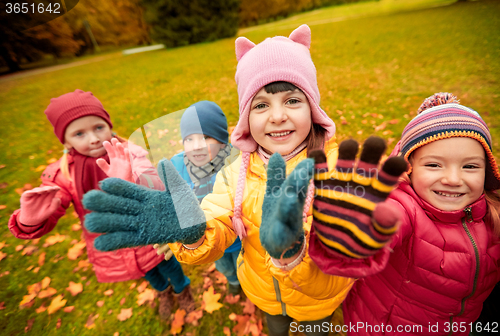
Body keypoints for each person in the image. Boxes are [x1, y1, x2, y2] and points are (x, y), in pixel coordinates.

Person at [82, 25, 405, 336]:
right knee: (276, 326)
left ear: (314, 108)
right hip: (262, 291)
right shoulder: (235, 171)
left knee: (314, 330)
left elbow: (352, 252)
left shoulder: (336, 173)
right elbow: (218, 222)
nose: (277, 116)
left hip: (317, 301)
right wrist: (193, 233)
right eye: (261, 105)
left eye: (292, 100)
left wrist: (293, 251)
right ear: (246, 118)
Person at [308, 93, 500, 335]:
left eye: (470, 166)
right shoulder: (404, 207)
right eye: (433, 165)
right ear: (408, 168)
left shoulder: (492, 214)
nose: (453, 179)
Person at [8, 89, 195, 320]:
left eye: (98, 127)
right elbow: (53, 206)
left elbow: (154, 185)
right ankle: (163, 292)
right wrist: (29, 220)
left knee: (167, 264)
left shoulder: (130, 153)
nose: (94, 138)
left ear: (109, 124)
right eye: (79, 133)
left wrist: (129, 181)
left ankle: (182, 288)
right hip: (118, 239)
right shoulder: (63, 174)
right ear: (65, 140)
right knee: (148, 273)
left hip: (148, 232)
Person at [156, 100, 242, 295]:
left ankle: (245, 283)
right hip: (207, 238)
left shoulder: (236, 161)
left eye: (205, 138)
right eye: (189, 139)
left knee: (243, 264)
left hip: (239, 236)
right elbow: (170, 201)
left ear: (222, 140)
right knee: (225, 266)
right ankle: (233, 281)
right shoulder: (177, 167)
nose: (196, 147)